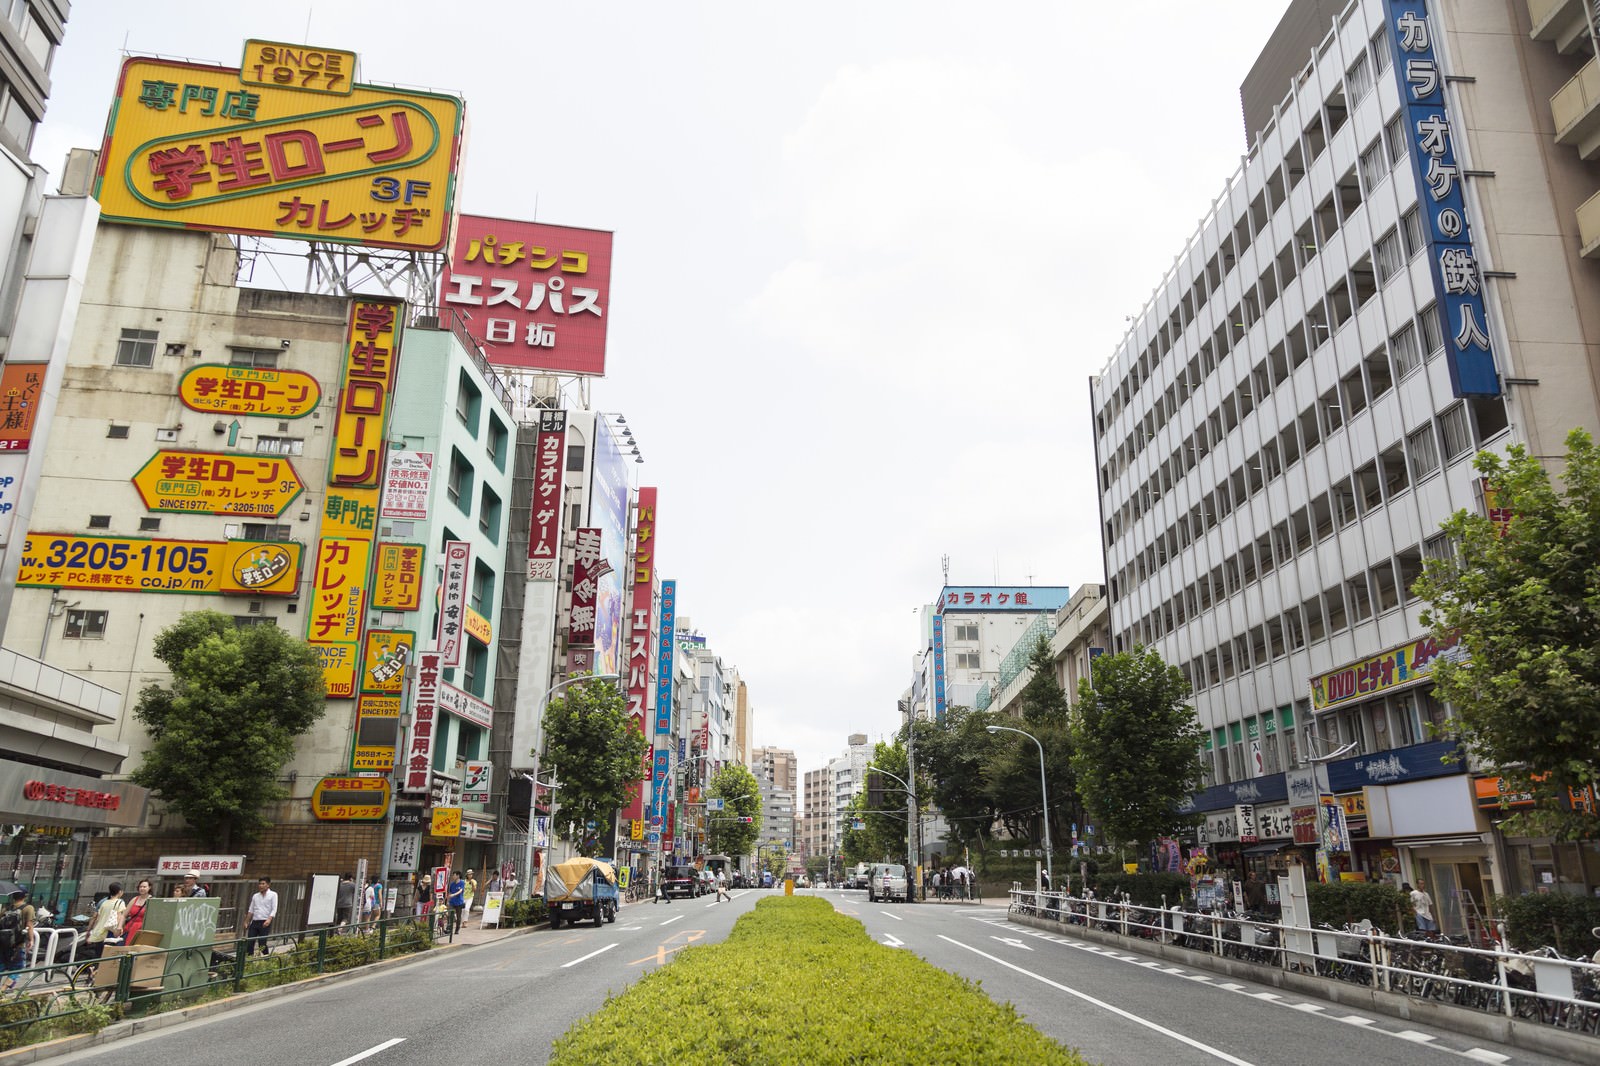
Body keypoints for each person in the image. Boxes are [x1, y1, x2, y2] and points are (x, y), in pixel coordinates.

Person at [1, 888, 36, 991]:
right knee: (18, 968)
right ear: (24, 896)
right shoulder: (28, 908)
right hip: (17, 943)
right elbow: (30, 925)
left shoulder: (6, 908)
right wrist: (31, 940)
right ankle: (2, 989)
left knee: (1, 966)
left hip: (3, 943)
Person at [84, 882, 126, 961]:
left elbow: (97, 918)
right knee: (107, 958)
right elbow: (119, 916)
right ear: (120, 892)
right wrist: (119, 929)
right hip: (110, 932)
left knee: (98, 956)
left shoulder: (104, 902)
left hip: (100, 933)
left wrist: (91, 930)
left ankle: (93, 971)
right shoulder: (120, 902)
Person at [246, 877, 278, 956]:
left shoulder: (273, 895)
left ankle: (266, 958)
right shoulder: (255, 896)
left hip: (265, 921)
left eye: (263, 884)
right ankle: (249, 960)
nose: (261, 885)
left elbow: (274, 909)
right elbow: (251, 909)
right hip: (255, 921)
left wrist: (269, 919)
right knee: (250, 942)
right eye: (260, 884)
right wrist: (246, 921)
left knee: (262, 943)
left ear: (268, 885)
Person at [122, 879, 154, 944]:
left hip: (142, 929)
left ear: (149, 888)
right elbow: (124, 915)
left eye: (144, 887)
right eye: (140, 887)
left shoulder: (152, 901)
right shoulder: (134, 899)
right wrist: (119, 926)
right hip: (130, 927)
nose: (142, 888)